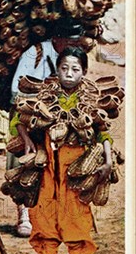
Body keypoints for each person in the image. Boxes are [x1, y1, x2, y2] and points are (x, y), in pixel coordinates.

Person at [16, 46, 112, 254]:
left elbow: (103, 133)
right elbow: (20, 119)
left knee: (76, 214)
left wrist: (108, 161)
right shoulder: (44, 95)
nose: (69, 73)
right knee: (44, 213)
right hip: (48, 166)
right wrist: (27, 141)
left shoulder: (90, 99)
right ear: (57, 70)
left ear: (84, 72)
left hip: (77, 171)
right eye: (64, 68)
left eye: (75, 69)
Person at [7, 21, 89, 237]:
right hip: (29, 116)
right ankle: (24, 214)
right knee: (25, 163)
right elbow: (17, 95)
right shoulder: (35, 54)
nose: (75, 46)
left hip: (59, 120)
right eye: (71, 42)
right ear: (58, 39)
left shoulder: (72, 58)